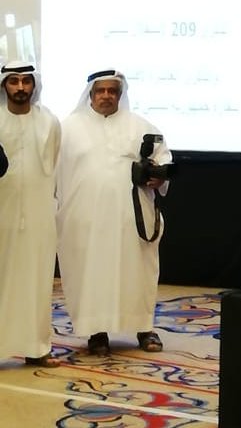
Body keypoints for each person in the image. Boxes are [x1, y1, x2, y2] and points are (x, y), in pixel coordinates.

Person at [56, 69, 171, 356]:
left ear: (120, 94)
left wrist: (160, 178)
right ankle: (96, 332)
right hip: (85, 218)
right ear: (90, 94)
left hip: (131, 217)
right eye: (101, 91)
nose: (106, 96)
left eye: (112, 91)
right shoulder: (67, 129)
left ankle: (144, 328)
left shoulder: (140, 126)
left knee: (138, 271)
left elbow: (164, 160)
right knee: (90, 273)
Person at [0, 61, 62, 367]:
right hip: (3, 212)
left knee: (37, 281)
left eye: (26, 81)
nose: (21, 87)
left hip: (38, 214)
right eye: (14, 81)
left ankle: (37, 348)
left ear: (34, 85)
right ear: (4, 86)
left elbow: (54, 165)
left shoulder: (49, 122)